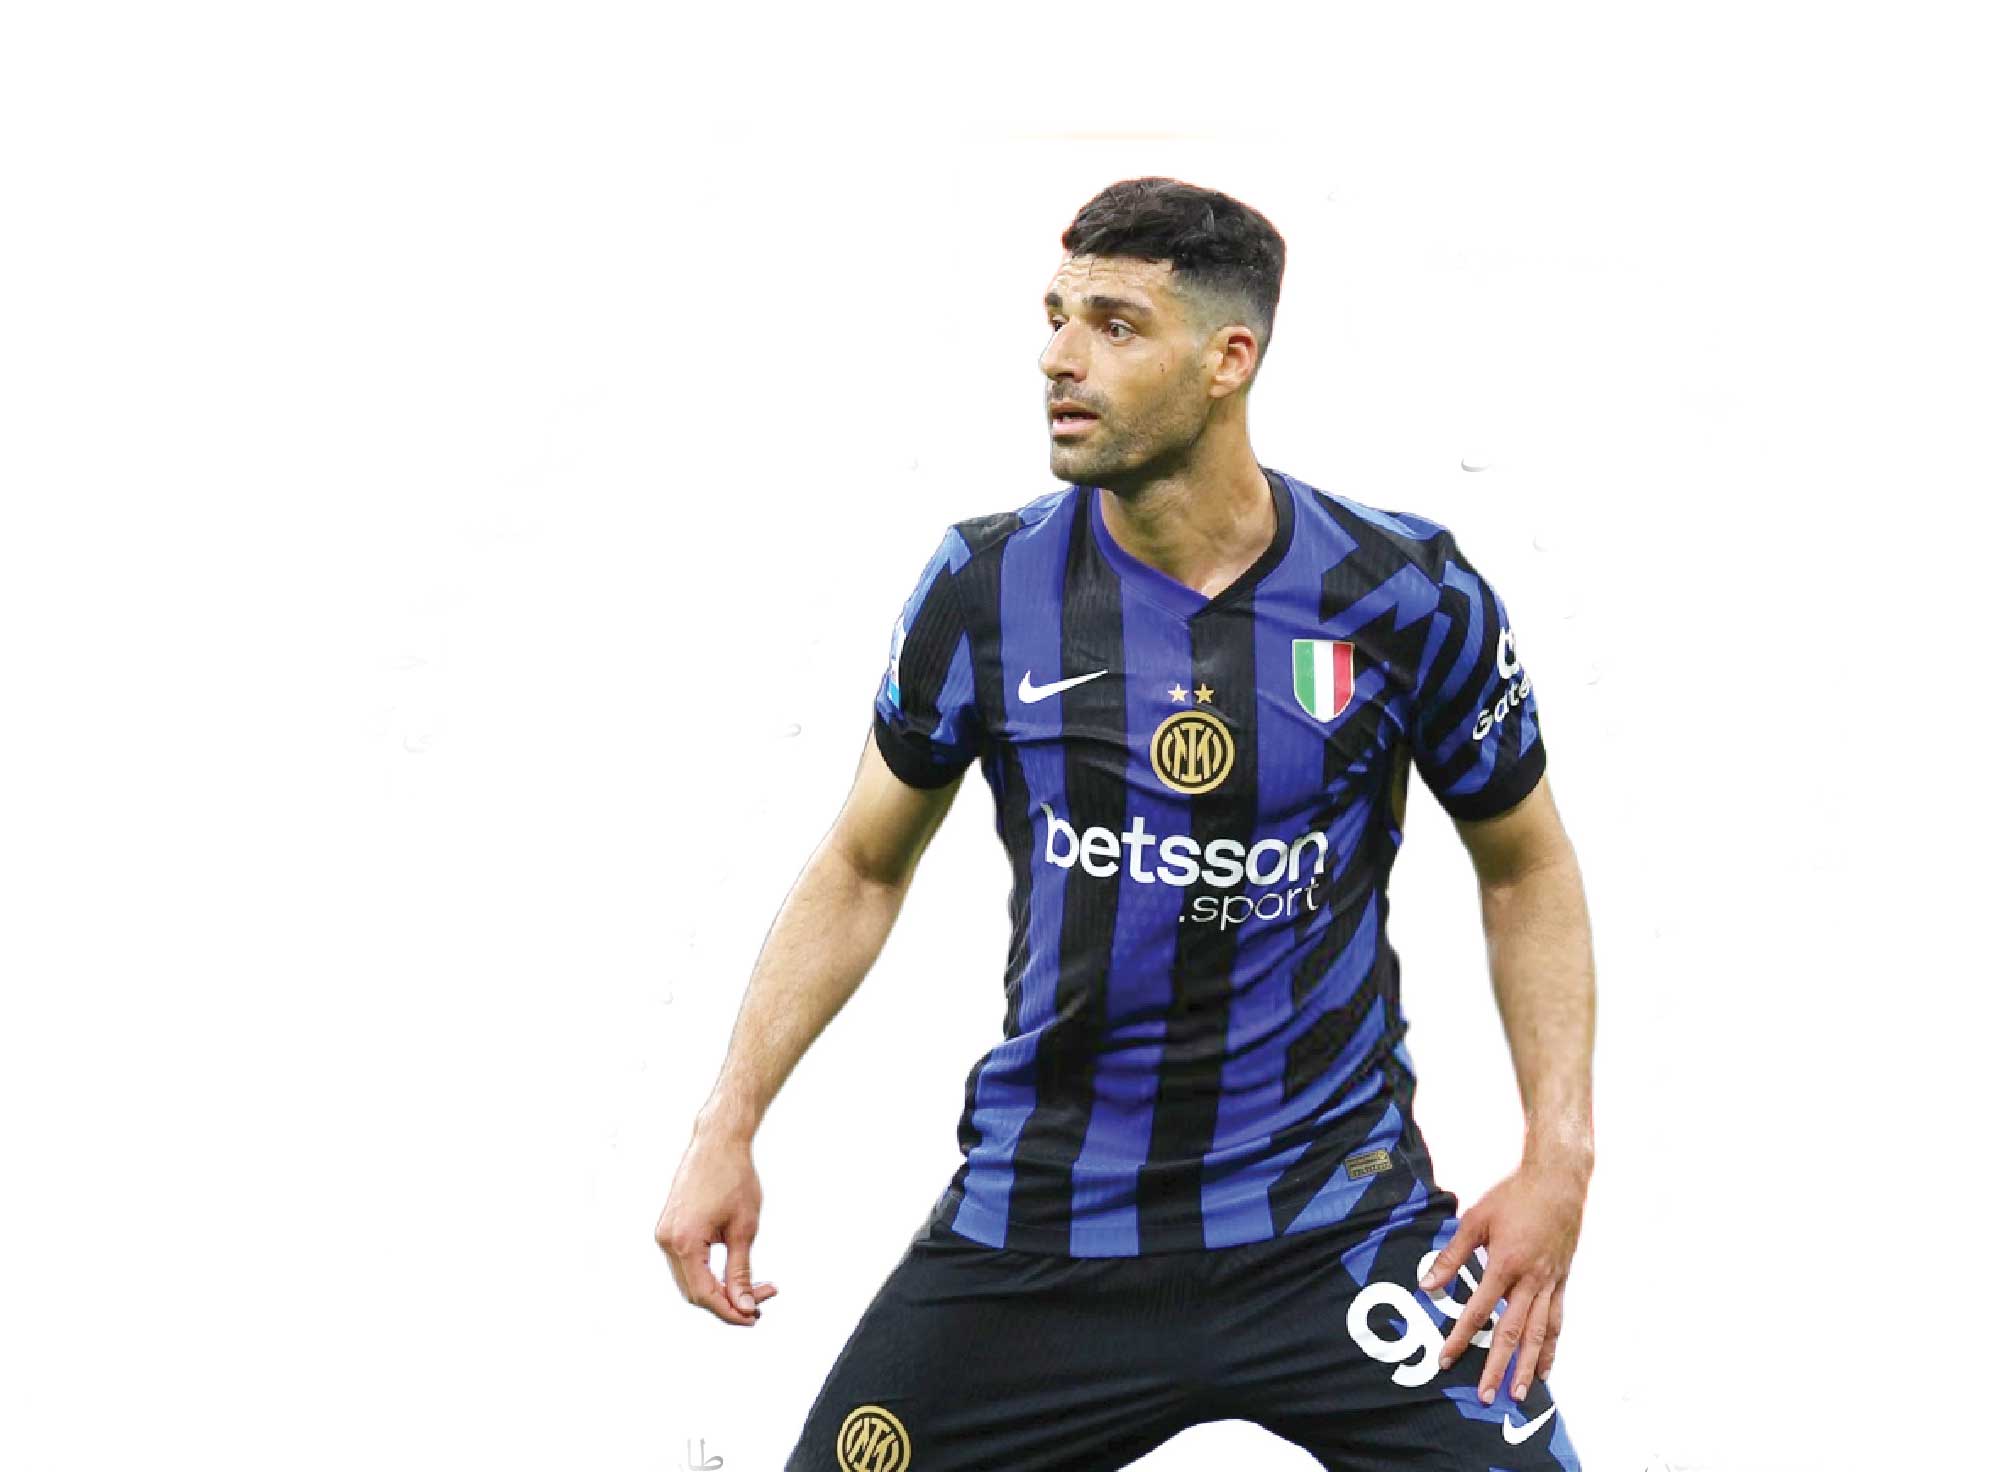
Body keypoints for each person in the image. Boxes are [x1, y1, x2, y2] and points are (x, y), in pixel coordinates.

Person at [654, 176, 1597, 1471]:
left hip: (1331, 1228)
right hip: (1046, 1229)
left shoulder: (1404, 594)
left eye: (1113, 324)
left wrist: (1558, 1157)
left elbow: (1524, 867)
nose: (1058, 357)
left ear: (1228, 358)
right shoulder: (985, 588)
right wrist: (727, 1123)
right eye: (1055, 317)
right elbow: (863, 868)